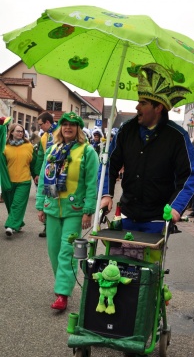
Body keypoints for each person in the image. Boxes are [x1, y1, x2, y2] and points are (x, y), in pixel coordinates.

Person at [100, 63, 194, 235]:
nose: (137, 107)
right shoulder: (126, 130)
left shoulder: (177, 137)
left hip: (158, 218)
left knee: (149, 262)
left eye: (143, 103)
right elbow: (109, 164)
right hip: (126, 214)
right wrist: (106, 194)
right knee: (120, 261)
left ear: (158, 107)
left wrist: (177, 207)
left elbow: (190, 175)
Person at [36, 112, 99, 310]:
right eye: (65, 125)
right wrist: (40, 205)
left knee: (67, 251)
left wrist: (88, 210)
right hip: (52, 206)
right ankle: (62, 283)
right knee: (54, 251)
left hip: (74, 210)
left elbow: (91, 183)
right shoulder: (53, 149)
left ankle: (62, 293)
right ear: (60, 128)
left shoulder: (87, 151)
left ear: (79, 128)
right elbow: (43, 178)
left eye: (73, 125)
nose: (68, 128)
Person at [2, 123, 36, 236]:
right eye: (17, 131)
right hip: (8, 182)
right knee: (11, 204)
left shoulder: (29, 146)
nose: (20, 133)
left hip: (24, 181)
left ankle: (10, 226)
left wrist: (35, 175)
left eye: (22, 131)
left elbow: (33, 163)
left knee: (17, 204)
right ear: (11, 132)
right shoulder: (4, 147)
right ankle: (18, 223)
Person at [35, 112, 58, 237]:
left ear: (48, 122)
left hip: (60, 173)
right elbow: (40, 156)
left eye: (41, 124)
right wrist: (38, 172)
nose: (40, 127)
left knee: (55, 200)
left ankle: (54, 226)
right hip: (49, 172)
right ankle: (47, 226)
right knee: (48, 198)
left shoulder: (59, 133)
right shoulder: (44, 137)